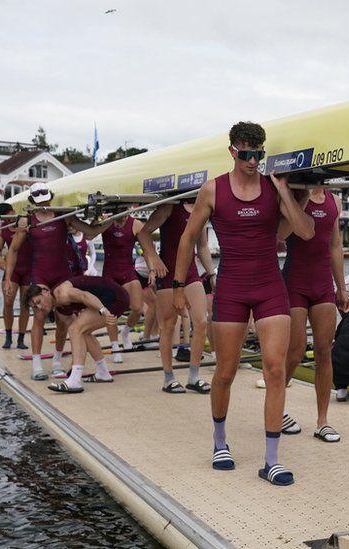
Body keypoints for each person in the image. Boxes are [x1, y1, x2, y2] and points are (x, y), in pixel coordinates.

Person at [173, 121, 312, 486]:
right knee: (226, 372)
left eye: (258, 154)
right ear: (233, 151)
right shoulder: (213, 190)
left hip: (270, 286)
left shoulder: (272, 187)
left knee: (275, 370)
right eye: (246, 153)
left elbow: (306, 231)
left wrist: (283, 193)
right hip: (232, 287)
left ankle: (271, 460)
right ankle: (220, 442)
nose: (253, 160)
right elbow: (188, 240)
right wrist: (177, 286)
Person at [3, 182, 101, 381]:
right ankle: (37, 364)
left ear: (51, 197)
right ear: (32, 201)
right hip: (39, 274)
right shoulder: (27, 221)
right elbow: (13, 250)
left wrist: (106, 220)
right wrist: (7, 278)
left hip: (62, 273)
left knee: (63, 319)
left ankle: (57, 360)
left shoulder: (63, 216)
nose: (45, 202)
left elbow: (90, 233)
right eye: (40, 200)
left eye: (47, 199)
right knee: (39, 315)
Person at [279, 179, 347, 443]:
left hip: (322, 285)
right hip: (294, 282)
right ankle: (278, 407)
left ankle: (323, 421)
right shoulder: (296, 196)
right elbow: (280, 235)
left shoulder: (334, 201)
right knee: (295, 351)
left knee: (323, 351)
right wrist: (299, 198)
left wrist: (341, 288)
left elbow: (335, 245)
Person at [139, 198, 216, 394]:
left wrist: (212, 274)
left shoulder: (202, 209)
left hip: (190, 273)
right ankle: (168, 378)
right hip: (167, 271)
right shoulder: (170, 206)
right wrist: (153, 258)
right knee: (168, 325)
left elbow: (203, 247)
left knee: (201, 321)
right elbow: (144, 233)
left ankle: (194, 376)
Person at [24, 275, 129, 393]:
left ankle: (75, 381)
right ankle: (103, 373)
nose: (39, 307)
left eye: (38, 302)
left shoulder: (61, 293)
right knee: (83, 332)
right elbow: (78, 338)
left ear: (45, 292)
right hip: (108, 298)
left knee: (75, 329)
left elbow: (85, 295)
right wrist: (73, 363)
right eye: (35, 307)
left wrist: (103, 310)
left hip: (114, 296)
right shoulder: (61, 310)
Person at [84, 215, 147, 364]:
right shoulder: (106, 220)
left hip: (128, 271)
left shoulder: (136, 224)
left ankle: (125, 332)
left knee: (137, 308)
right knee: (112, 313)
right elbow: (89, 235)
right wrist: (97, 220)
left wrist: (151, 269)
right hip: (110, 272)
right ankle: (115, 347)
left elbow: (147, 247)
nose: (122, 212)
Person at [0, 203, 31, 349]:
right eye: (5, 219)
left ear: (13, 212)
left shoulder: (25, 223)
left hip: (28, 269)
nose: (8, 221)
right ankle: (8, 336)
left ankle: (21, 339)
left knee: (25, 305)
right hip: (12, 269)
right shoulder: (2, 228)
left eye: (10, 217)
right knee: (8, 301)